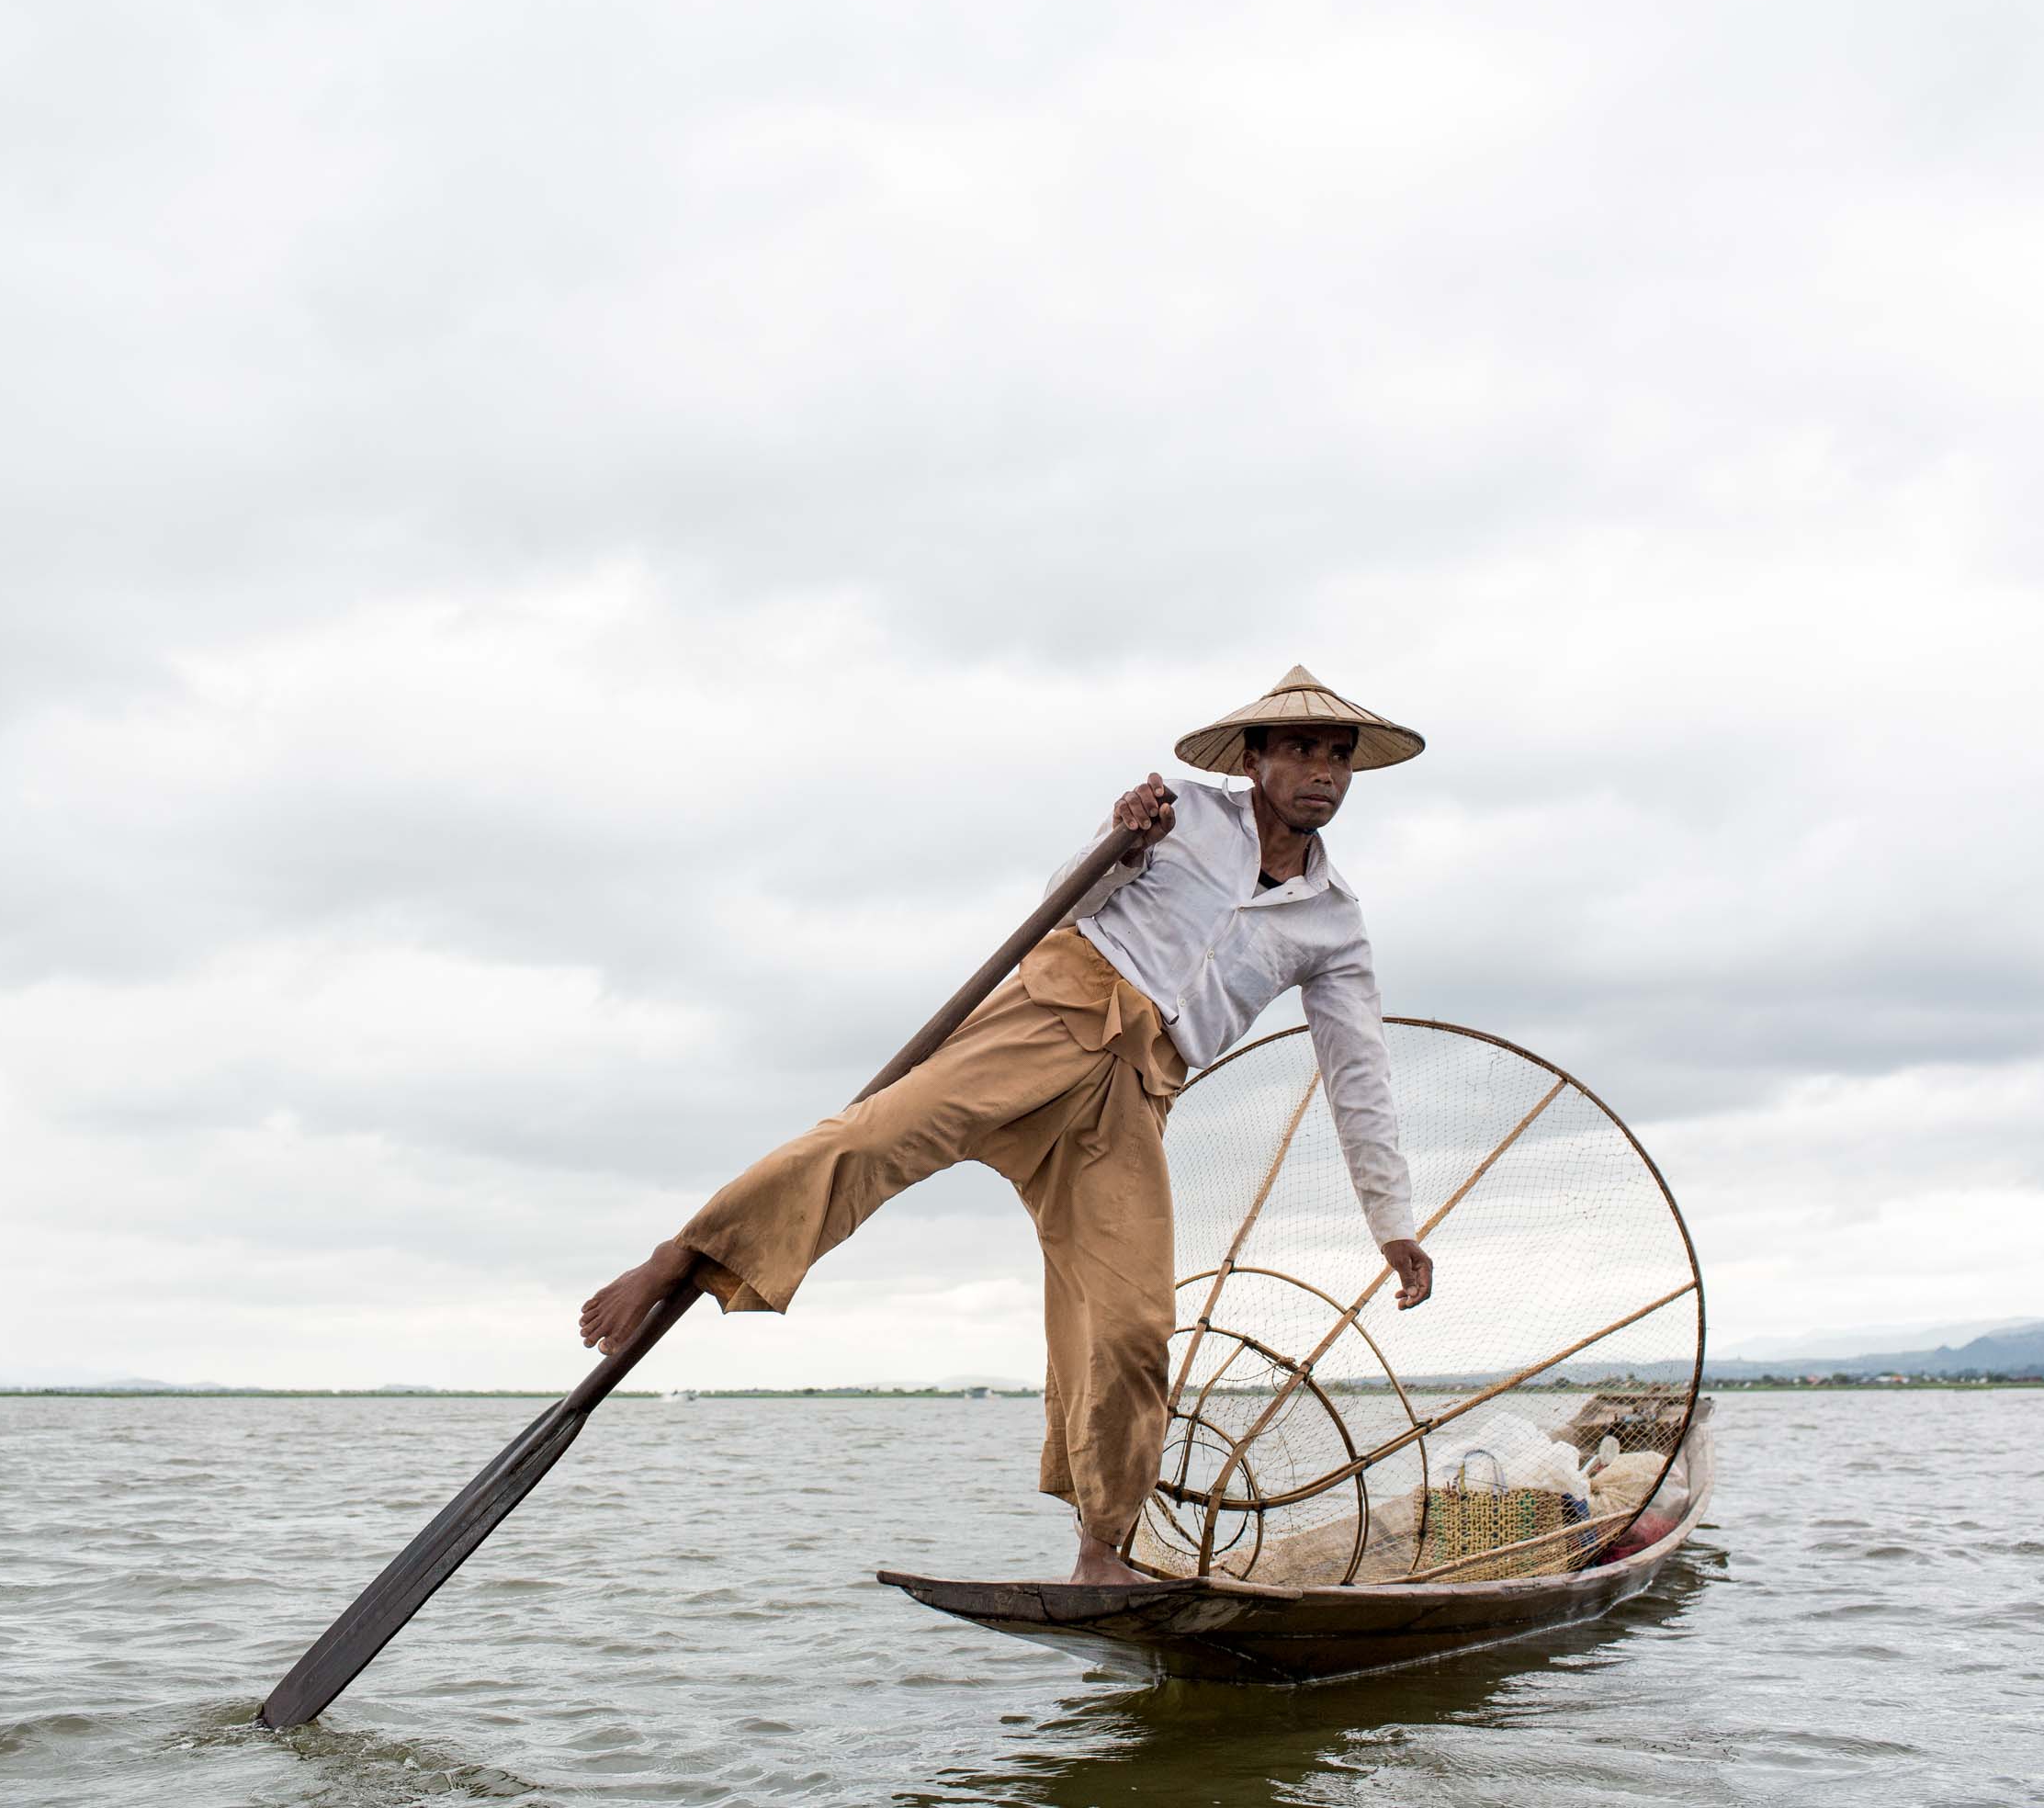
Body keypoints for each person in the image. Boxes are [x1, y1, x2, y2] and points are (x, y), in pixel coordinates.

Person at [579, 665, 1429, 1583]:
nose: (1324, 773)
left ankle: (1102, 1549)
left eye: (1339, 757)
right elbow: (1064, 901)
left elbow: (1359, 1075)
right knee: (868, 1141)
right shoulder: (1179, 810)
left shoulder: (1334, 923)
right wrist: (1124, 842)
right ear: (1255, 757)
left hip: (1135, 1093)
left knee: (1134, 1324)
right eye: (1303, 749)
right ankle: (687, 1249)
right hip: (1047, 1018)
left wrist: (1394, 1223)